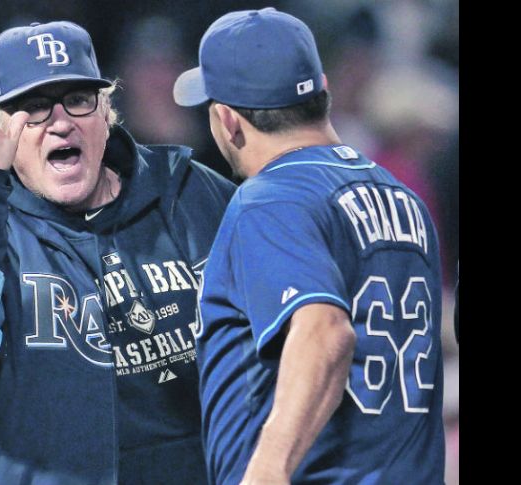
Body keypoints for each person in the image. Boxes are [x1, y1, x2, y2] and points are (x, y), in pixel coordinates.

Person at [0, 20, 236, 485]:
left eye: (79, 100)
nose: (61, 121)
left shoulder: (188, 193)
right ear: (1, 129)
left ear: (106, 114)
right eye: (34, 107)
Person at [173, 8, 445, 485]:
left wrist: (266, 471)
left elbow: (325, 331)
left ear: (227, 120)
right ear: (323, 89)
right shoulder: (403, 198)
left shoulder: (270, 200)